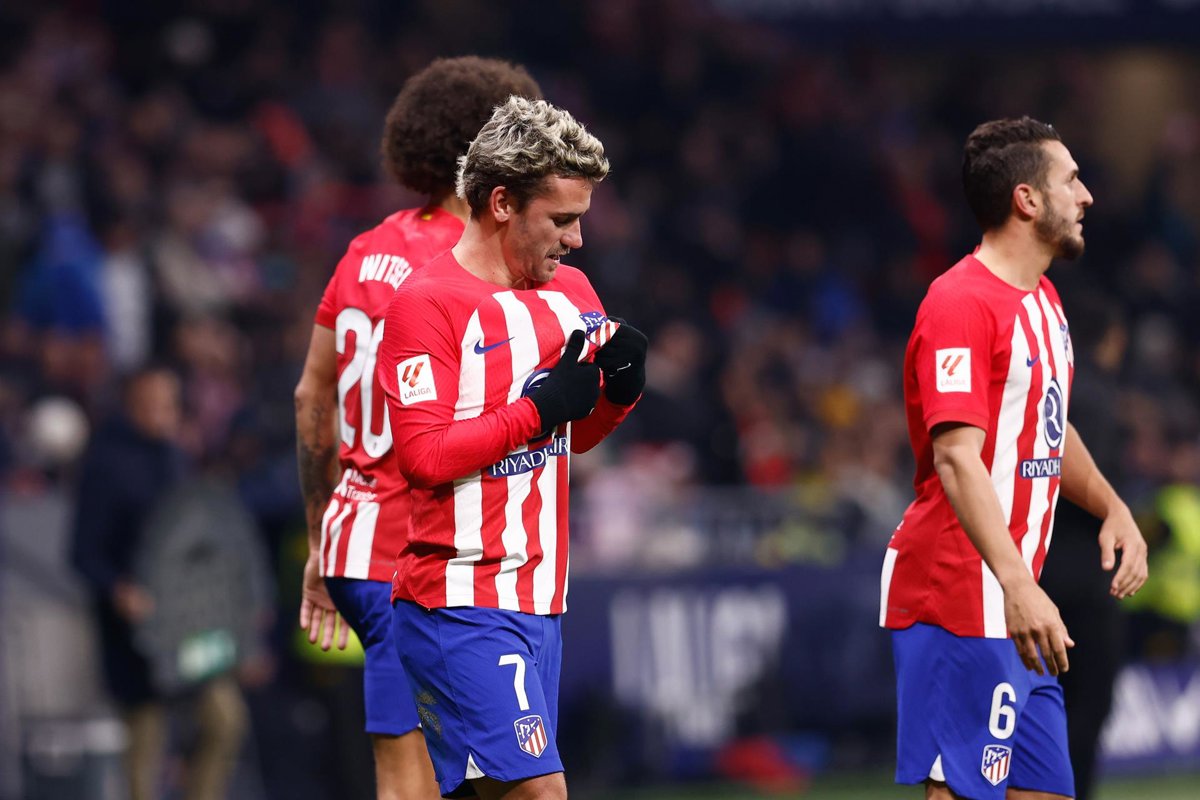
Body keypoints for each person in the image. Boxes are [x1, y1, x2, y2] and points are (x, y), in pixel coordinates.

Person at [377, 96, 647, 800]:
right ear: (501, 203)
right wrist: (537, 409)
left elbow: (575, 436)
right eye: (561, 219)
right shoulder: (425, 304)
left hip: (540, 601)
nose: (576, 239)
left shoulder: (572, 293)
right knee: (539, 792)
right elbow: (424, 457)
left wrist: (620, 393)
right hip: (457, 601)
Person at [293, 57, 544, 800]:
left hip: (356, 543)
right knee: (425, 780)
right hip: (425, 551)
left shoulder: (364, 251)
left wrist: (321, 538)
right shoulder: (476, 260)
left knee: (439, 771)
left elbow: (312, 395)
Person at [878, 117, 1149, 800]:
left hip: (1018, 599)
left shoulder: (1045, 300)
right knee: (959, 791)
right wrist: (1018, 585)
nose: (1086, 196)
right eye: (1070, 181)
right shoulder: (959, 303)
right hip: (959, 593)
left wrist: (1111, 506)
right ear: (1026, 199)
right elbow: (956, 458)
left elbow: (1047, 428)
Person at [71, 365, 248, 800]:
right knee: (144, 748)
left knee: (225, 720)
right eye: (149, 402)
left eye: (167, 403)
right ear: (131, 403)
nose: (160, 412)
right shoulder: (106, 465)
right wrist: (119, 590)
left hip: (188, 624)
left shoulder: (177, 460)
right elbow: (83, 552)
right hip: (135, 636)